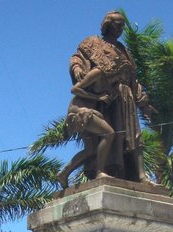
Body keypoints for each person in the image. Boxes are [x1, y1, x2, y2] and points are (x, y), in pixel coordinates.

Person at [57, 11, 152, 187]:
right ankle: (107, 171)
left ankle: (141, 176)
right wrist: (77, 68)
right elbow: (77, 57)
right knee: (109, 135)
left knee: (133, 135)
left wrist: (144, 104)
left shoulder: (124, 50)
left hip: (126, 97)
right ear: (108, 24)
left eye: (122, 25)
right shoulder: (93, 43)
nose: (120, 29)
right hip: (105, 101)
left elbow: (133, 79)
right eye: (117, 24)